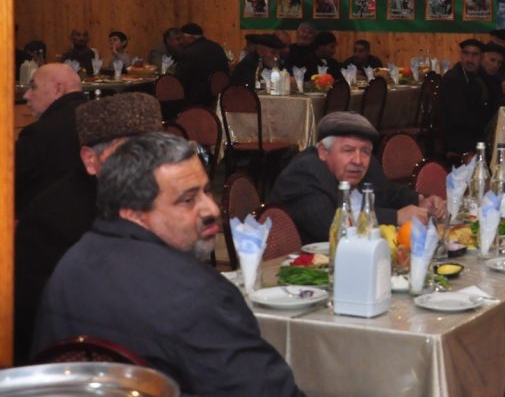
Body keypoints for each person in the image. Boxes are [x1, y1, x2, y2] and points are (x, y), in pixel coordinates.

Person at [32, 132, 303, 396]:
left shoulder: (70, 265)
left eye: (207, 191)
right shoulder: (196, 292)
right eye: (188, 200)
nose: (211, 209)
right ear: (132, 212)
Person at [13, 93, 163, 364]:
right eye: (132, 152)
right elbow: (45, 318)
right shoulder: (54, 216)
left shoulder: (150, 197)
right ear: (90, 160)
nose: (149, 164)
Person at [269, 112, 446, 242]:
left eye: (365, 151)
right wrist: (395, 217)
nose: (358, 160)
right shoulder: (304, 173)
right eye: (348, 150)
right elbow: (332, 227)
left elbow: (389, 192)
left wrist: (421, 200)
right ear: (323, 151)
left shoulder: (366, 164)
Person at [14, 64, 87, 217]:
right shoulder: (101, 120)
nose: (26, 95)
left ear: (58, 90)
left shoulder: (39, 133)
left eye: (33, 87)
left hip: (44, 222)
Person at [439, 38, 497, 155]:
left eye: (475, 55)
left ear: (481, 57)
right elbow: (459, 118)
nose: (469, 59)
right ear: (461, 55)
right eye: (466, 54)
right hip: (459, 137)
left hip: (478, 132)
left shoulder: (481, 76)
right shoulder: (453, 79)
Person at [175, 23, 230, 106]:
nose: (180, 42)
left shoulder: (189, 53)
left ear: (191, 37)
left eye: (182, 38)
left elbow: (180, 80)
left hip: (196, 100)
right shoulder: (217, 47)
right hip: (220, 98)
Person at [481, 42, 505, 107]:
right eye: (492, 60)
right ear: (482, 58)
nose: (495, 65)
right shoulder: (473, 78)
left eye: (499, 62)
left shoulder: (498, 81)